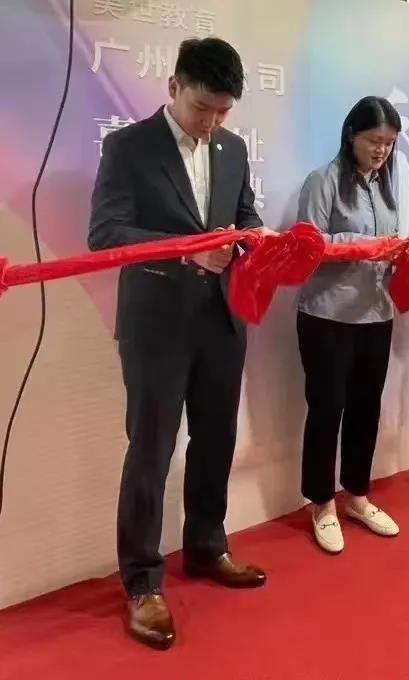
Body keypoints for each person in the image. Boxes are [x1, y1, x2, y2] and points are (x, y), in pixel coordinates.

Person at [87, 38, 270, 650]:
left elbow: (245, 213)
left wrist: (253, 239)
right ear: (173, 87)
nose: (211, 121)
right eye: (201, 108)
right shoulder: (128, 147)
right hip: (157, 325)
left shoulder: (233, 148)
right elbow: (105, 233)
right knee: (152, 448)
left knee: (216, 438)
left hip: (223, 318)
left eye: (223, 110)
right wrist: (188, 252)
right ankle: (142, 583)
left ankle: (206, 546)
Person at [295, 96, 408, 554]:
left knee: (366, 407)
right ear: (351, 136)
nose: (382, 150)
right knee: (327, 409)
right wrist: (370, 244)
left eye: (389, 143)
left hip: (377, 313)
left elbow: (390, 245)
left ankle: (357, 495)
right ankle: (321, 503)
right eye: (374, 140)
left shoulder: (386, 185)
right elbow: (308, 245)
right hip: (328, 315)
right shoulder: (322, 180)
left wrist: (401, 254)